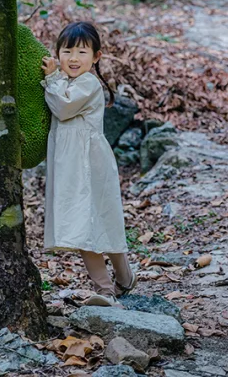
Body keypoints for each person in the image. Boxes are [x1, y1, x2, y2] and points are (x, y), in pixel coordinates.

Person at [41, 19, 137, 305]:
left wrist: (51, 78)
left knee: (100, 219)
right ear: (57, 54)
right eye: (67, 51)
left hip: (89, 160)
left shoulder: (87, 83)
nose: (73, 58)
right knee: (86, 224)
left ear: (96, 57)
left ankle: (121, 279)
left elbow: (63, 107)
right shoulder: (69, 82)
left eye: (82, 52)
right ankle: (106, 287)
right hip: (70, 163)